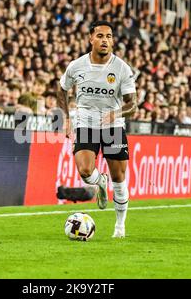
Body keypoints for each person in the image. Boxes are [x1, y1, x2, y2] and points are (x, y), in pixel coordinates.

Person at [57, 21, 137, 238]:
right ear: (90, 38)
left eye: (109, 36)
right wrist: (65, 119)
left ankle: (120, 226)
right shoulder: (76, 66)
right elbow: (62, 90)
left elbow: (132, 104)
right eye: (100, 36)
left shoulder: (121, 68)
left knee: (119, 179)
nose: (105, 40)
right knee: (84, 171)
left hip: (112, 127)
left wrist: (116, 114)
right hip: (85, 123)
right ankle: (99, 182)